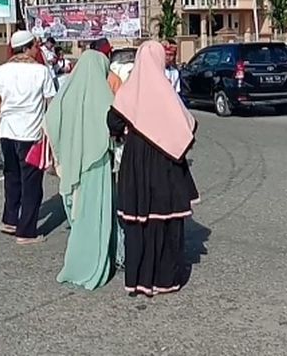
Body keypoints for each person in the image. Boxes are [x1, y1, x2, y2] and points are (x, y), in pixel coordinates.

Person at [107, 40, 199, 297]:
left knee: (140, 221)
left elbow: (112, 121)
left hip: (136, 162)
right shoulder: (166, 91)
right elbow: (188, 126)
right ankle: (164, 280)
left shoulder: (129, 91)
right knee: (165, 220)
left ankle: (138, 281)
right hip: (165, 165)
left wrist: (128, 130)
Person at [45, 50, 118, 290]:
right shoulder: (105, 97)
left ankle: (77, 263)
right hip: (97, 165)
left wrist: (65, 153)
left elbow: (50, 122)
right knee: (95, 214)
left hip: (72, 165)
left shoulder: (65, 95)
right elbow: (112, 129)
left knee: (78, 215)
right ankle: (97, 264)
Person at [0, 30, 56, 245]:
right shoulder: (41, 72)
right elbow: (50, 103)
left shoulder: (1, 71)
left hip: (7, 132)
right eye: (35, 45)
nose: (37, 49)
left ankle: (10, 219)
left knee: (12, 177)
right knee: (32, 183)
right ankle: (26, 232)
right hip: (30, 133)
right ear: (27, 47)